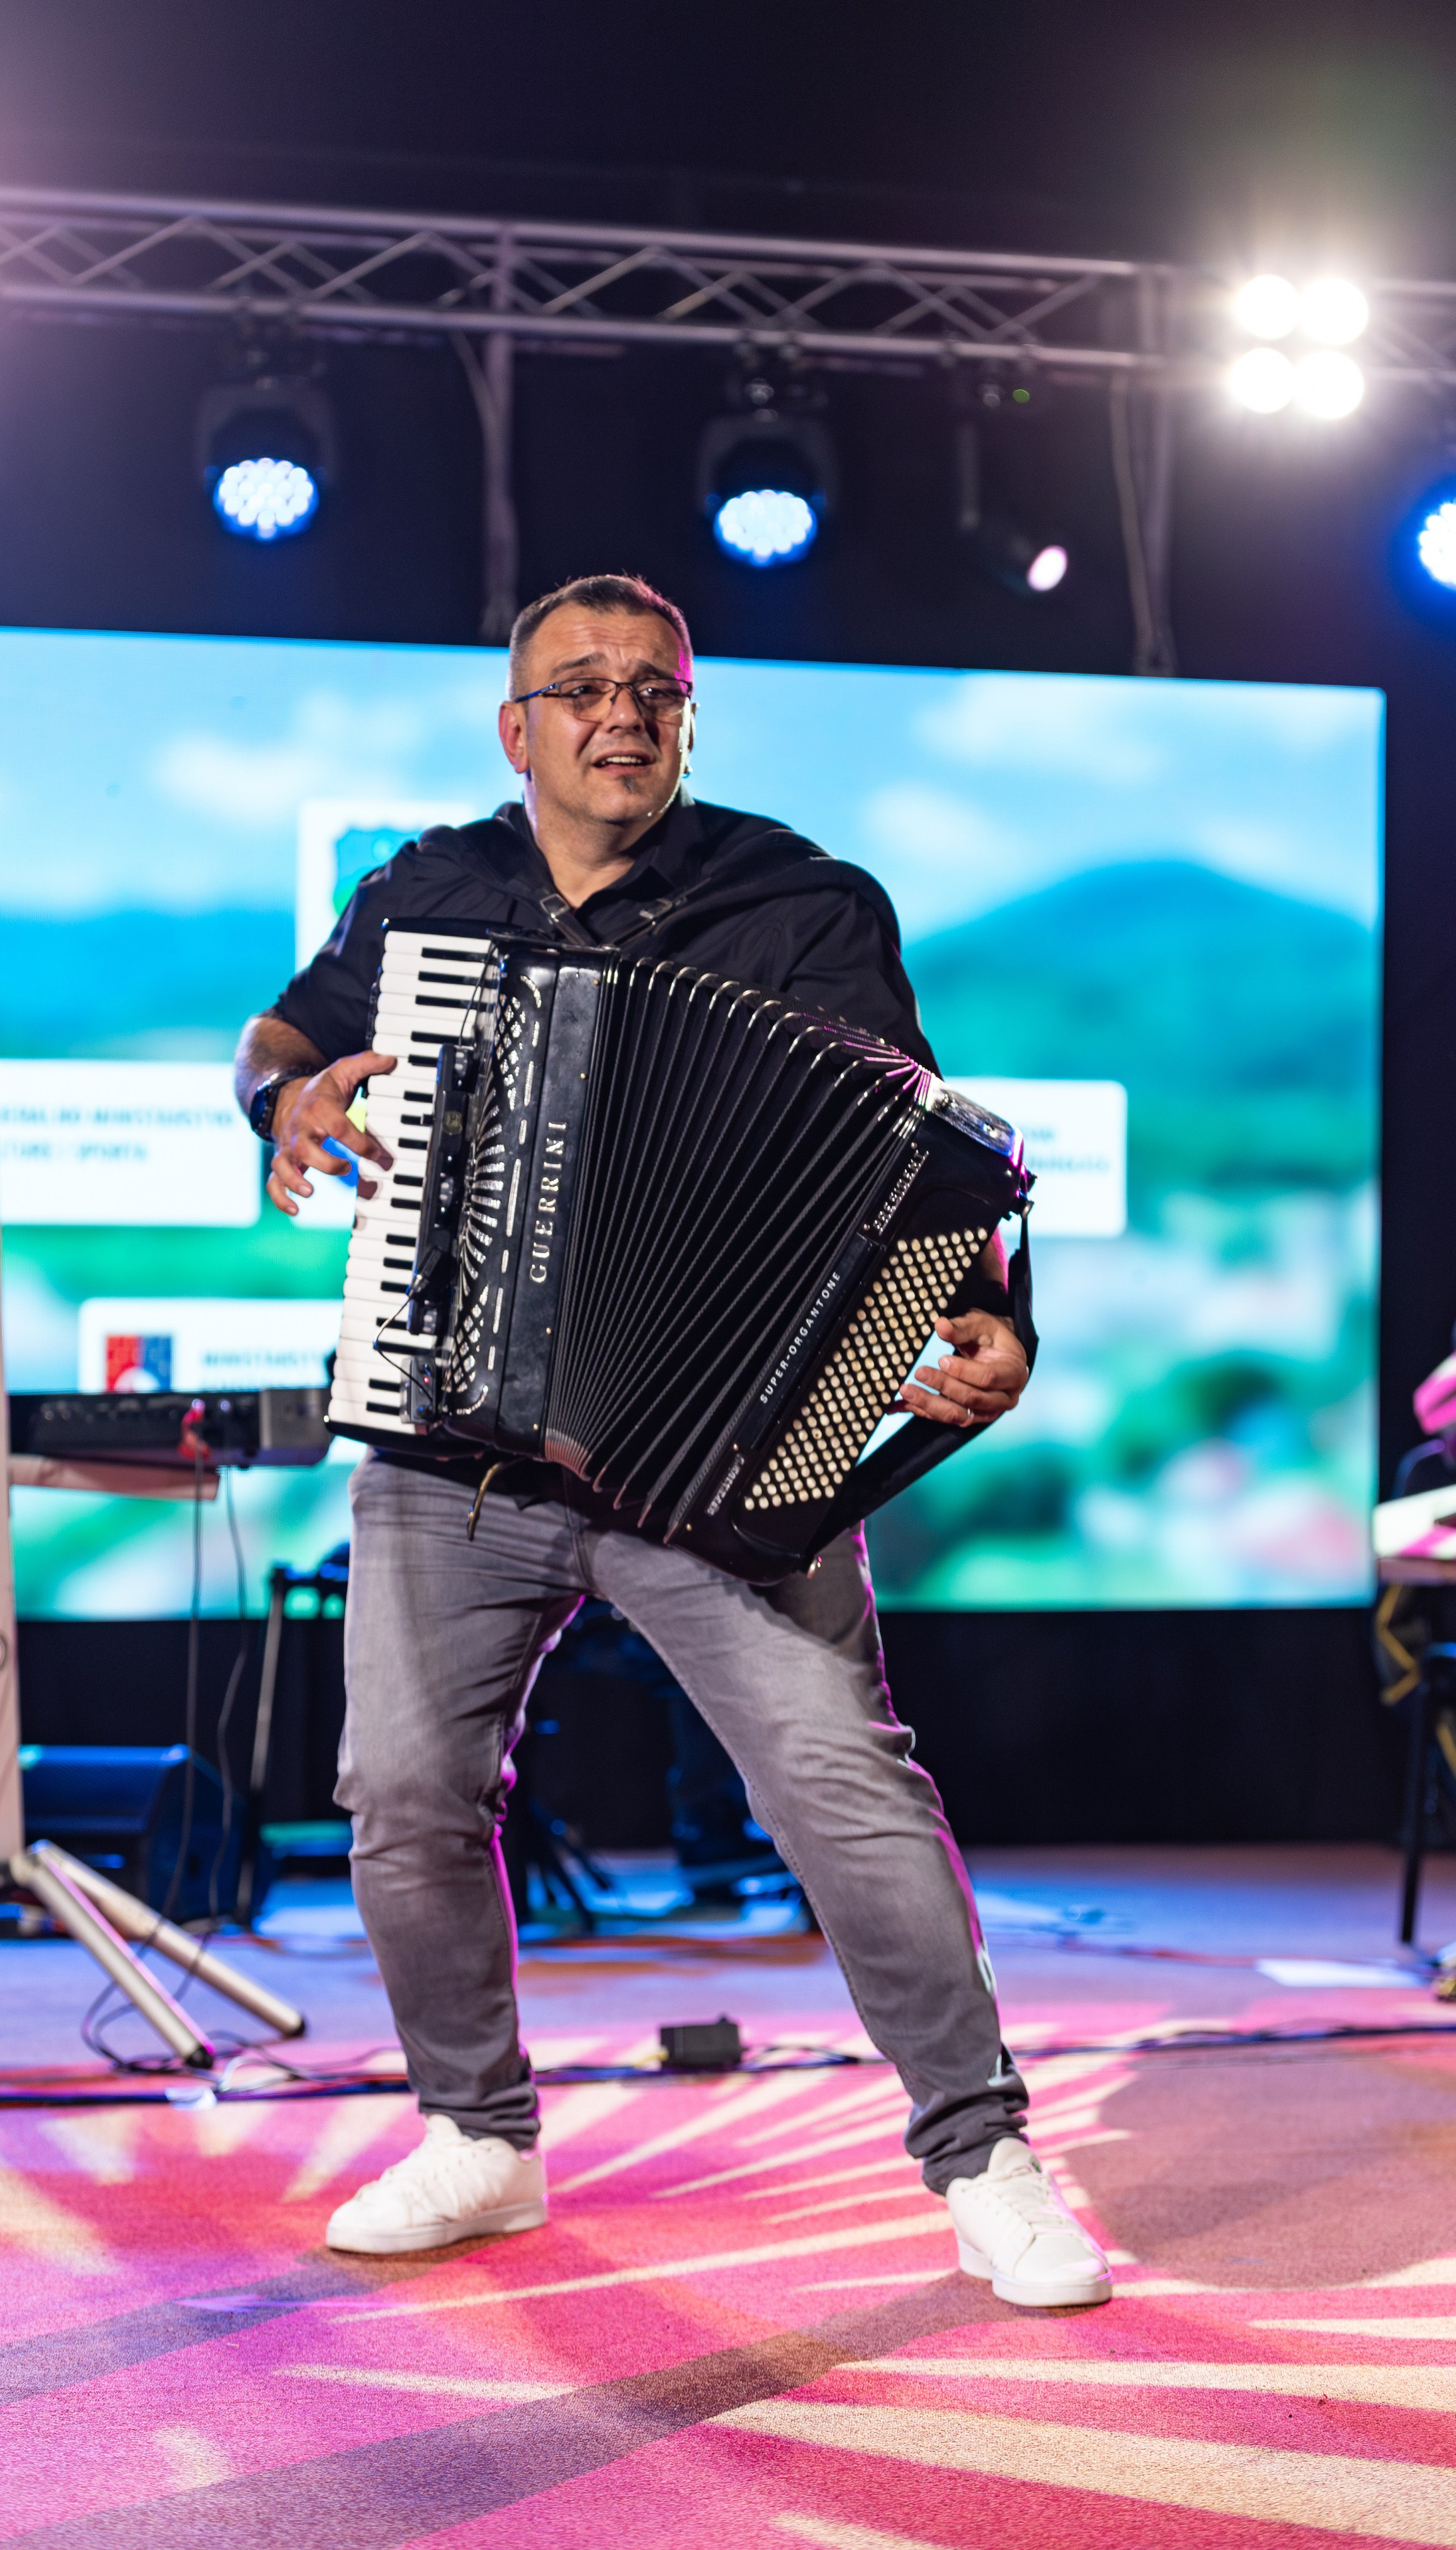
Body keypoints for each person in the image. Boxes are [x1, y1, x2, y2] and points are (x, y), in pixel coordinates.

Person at [234, 573, 1111, 2310]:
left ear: (688, 717)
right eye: (580, 689)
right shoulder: (426, 890)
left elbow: (918, 1157)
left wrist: (994, 1317)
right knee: (403, 1791)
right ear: (519, 727)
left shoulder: (801, 904)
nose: (618, 714)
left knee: (841, 1785)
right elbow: (294, 1037)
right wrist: (288, 1100)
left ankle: (983, 2148)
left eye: (653, 688)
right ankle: (477, 2140)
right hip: (454, 1432)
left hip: (719, 1455)